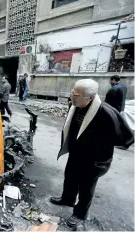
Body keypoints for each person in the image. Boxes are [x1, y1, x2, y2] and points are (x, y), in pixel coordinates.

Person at [50, 79, 134, 228]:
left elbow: (127, 138)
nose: (71, 97)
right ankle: (67, 199)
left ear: (90, 98)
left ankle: (80, 214)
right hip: (76, 152)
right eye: (72, 93)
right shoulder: (75, 105)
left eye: (76, 95)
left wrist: (101, 145)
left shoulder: (106, 112)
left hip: (94, 159)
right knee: (70, 177)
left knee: (86, 187)